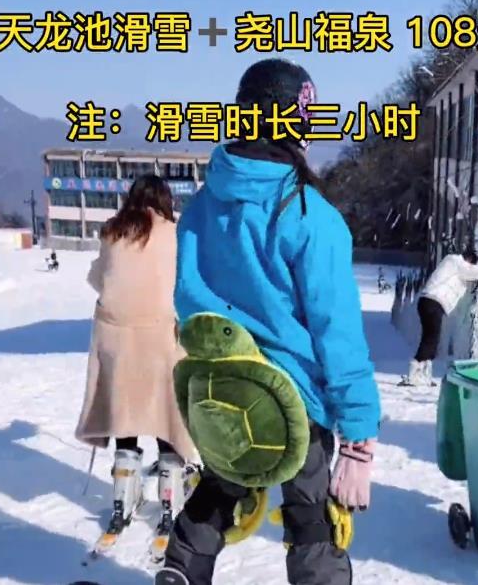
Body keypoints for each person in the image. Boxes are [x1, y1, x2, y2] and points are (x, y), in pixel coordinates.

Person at [157, 59, 381, 585]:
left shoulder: (203, 205)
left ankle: (181, 568)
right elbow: (337, 332)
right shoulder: (309, 214)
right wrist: (358, 440)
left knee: (218, 490)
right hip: (292, 401)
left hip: (222, 387)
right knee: (312, 520)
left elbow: (188, 297)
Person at [75, 175, 198, 536]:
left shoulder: (112, 232)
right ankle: (170, 502)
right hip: (160, 339)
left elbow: (98, 279)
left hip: (118, 342)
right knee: (166, 420)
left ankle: (123, 499)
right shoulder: (175, 235)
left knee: (125, 419)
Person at [399, 244, 478, 387]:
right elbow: (476, 272)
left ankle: (424, 374)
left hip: (431, 303)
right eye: (472, 262)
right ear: (468, 259)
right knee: (430, 340)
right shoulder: (454, 261)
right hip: (433, 302)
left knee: (432, 340)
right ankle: (415, 373)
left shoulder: (457, 270)